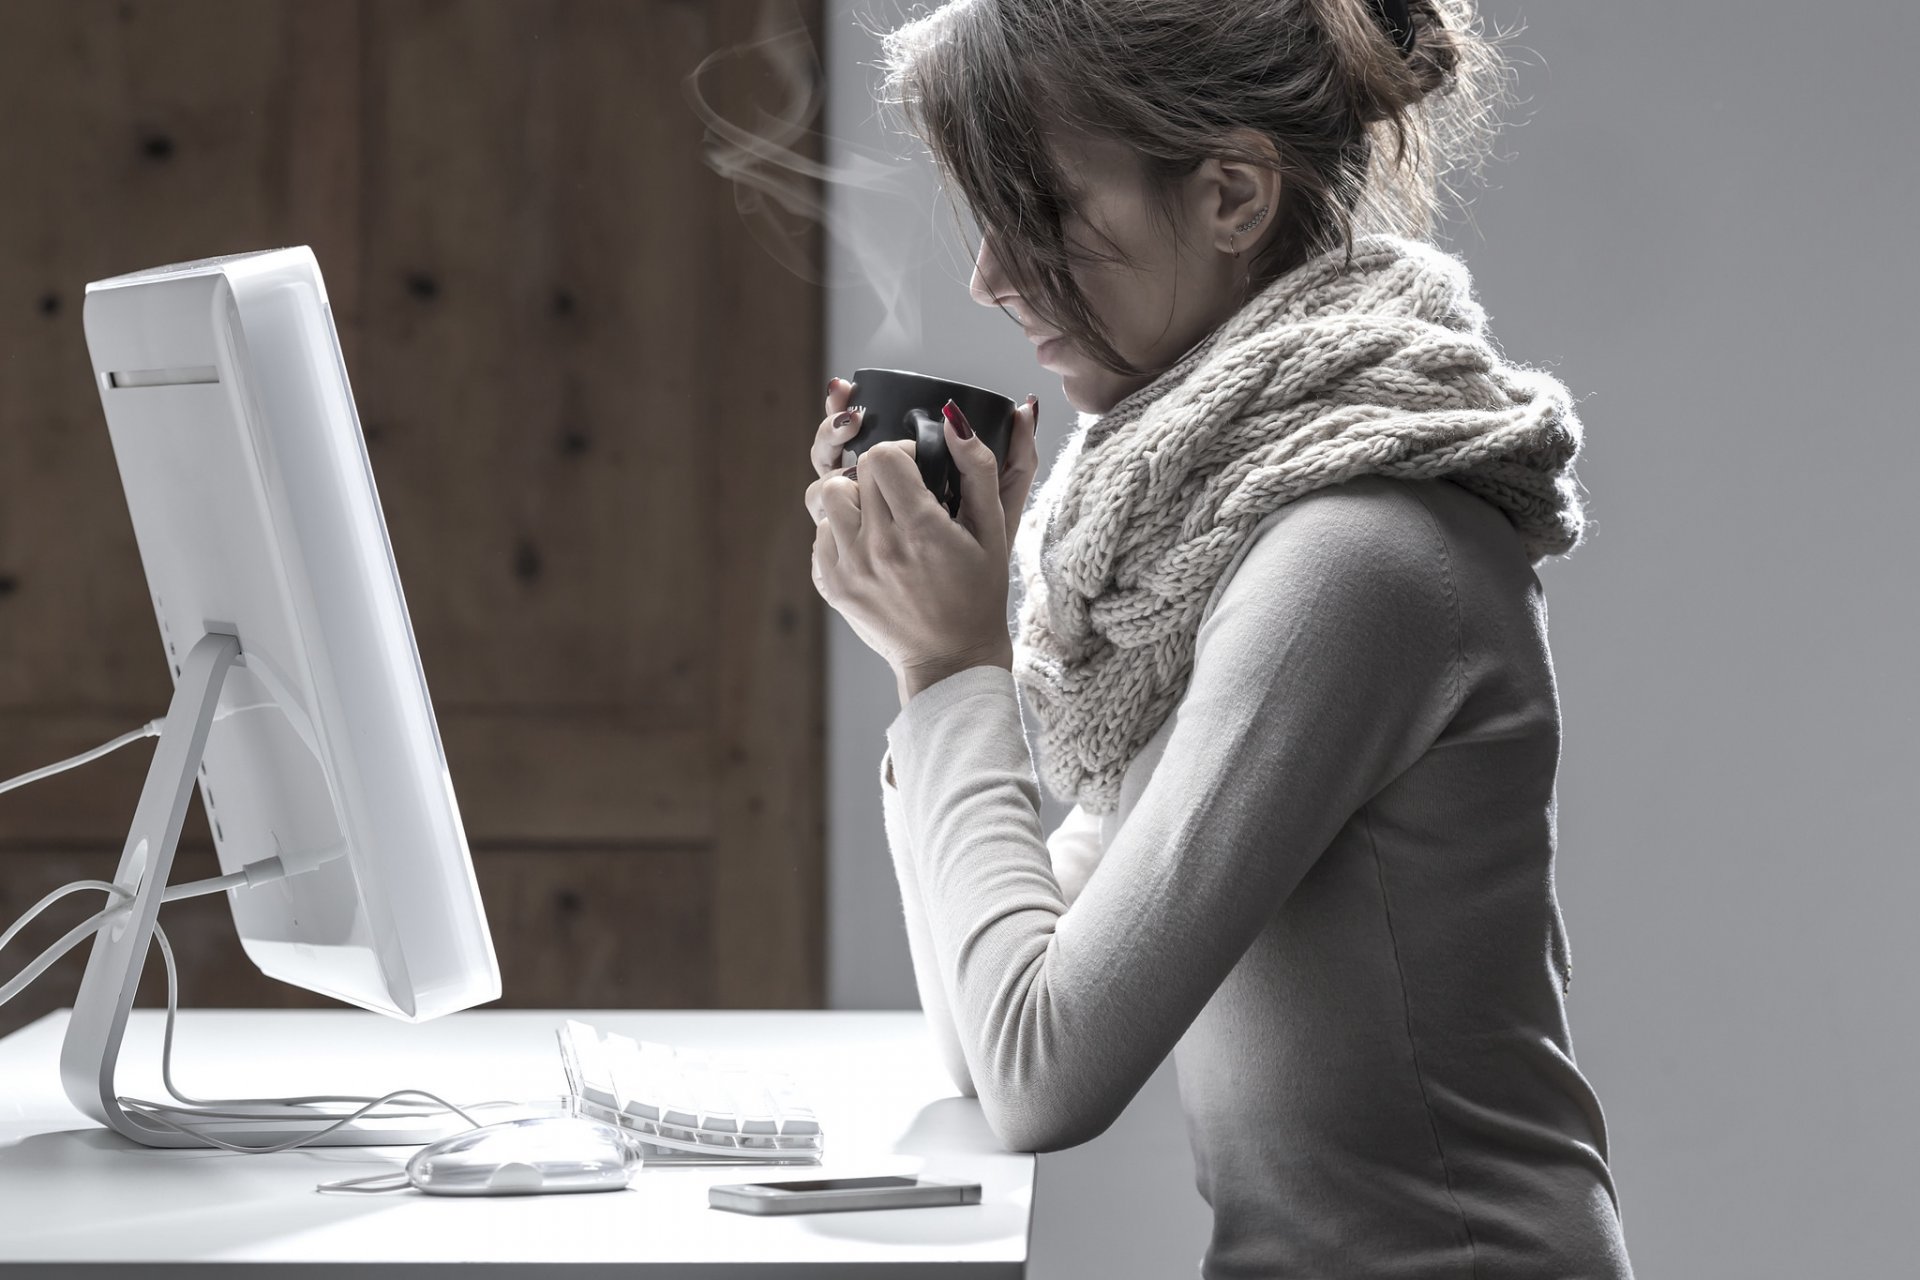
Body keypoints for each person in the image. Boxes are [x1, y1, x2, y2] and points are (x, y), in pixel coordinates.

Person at [804, 2, 1634, 1276]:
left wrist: (951, 671)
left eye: (1039, 207)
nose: (990, 273)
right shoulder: (1219, 530)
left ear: (1234, 196)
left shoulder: (1352, 556)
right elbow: (990, 1029)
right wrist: (927, 668)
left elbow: (1042, 1075)